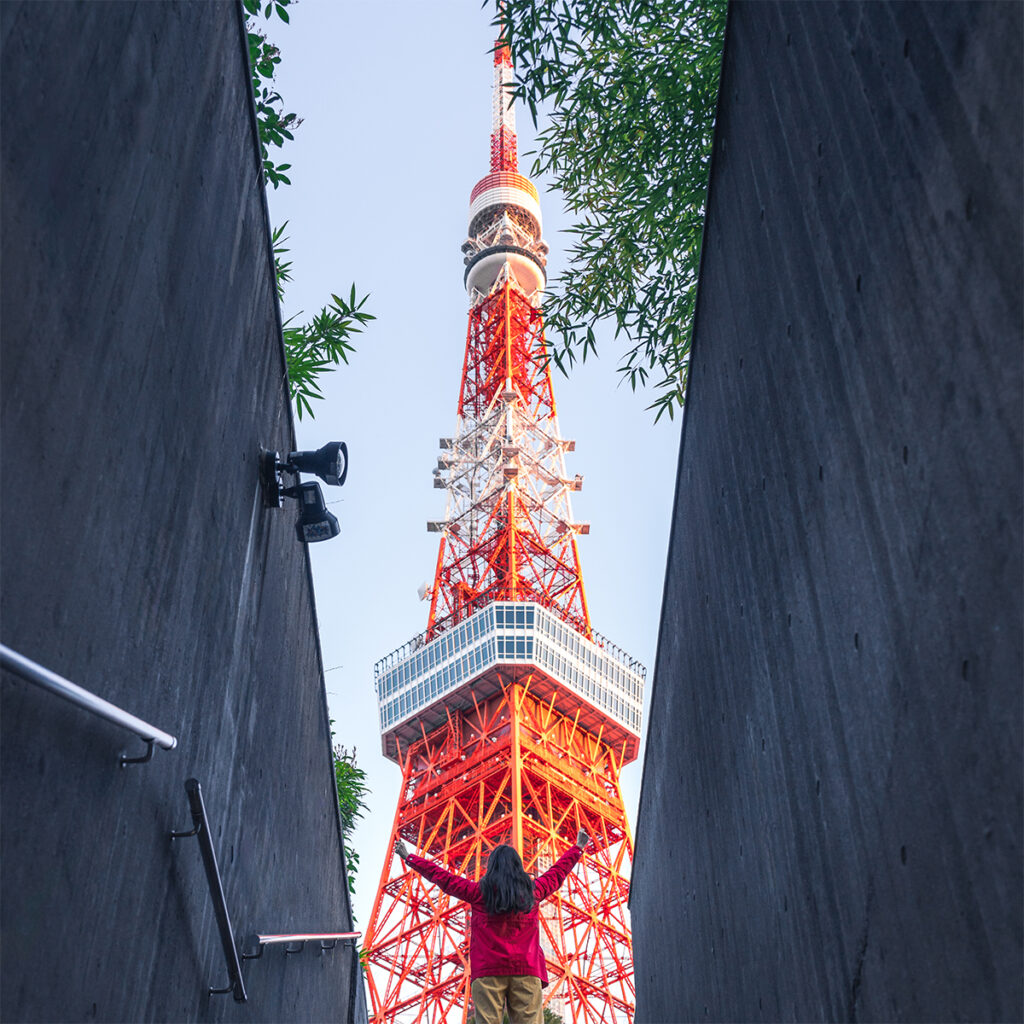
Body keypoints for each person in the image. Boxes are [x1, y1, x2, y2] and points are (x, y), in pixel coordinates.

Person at [394, 829, 590, 1024]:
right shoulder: (533, 891)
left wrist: (409, 857)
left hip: (488, 970)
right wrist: (578, 847)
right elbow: (557, 872)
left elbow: (444, 878)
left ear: (492, 867)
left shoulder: (477, 892)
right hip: (526, 969)